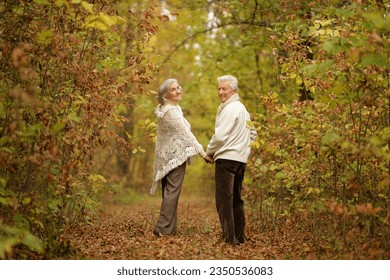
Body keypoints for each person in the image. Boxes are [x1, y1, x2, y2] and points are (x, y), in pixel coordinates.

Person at [150, 78, 213, 236]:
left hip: (168, 156)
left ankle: (169, 229)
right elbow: (186, 135)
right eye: (173, 89)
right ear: (165, 94)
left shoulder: (169, 107)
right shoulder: (170, 112)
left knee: (169, 192)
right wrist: (203, 153)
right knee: (172, 193)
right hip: (175, 157)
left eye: (178, 87)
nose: (178, 91)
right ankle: (163, 228)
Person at [206, 75, 257, 245]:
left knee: (224, 201)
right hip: (240, 160)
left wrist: (209, 151)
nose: (220, 92)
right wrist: (244, 149)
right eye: (219, 89)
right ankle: (239, 238)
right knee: (236, 199)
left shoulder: (230, 108)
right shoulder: (243, 109)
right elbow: (254, 134)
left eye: (224, 88)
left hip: (227, 160)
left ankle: (229, 239)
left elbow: (220, 136)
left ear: (234, 90)